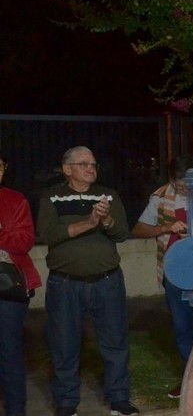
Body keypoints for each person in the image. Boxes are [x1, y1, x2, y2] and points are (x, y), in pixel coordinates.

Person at [35, 147, 138, 416]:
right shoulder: (52, 196)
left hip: (107, 282)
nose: (91, 168)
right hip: (65, 284)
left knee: (115, 342)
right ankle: (67, 402)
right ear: (67, 169)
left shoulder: (108, 195)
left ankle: (119, 399)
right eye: (84, 164)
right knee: (64, 344)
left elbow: (122, 233)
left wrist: (106, 218)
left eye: (94, 164)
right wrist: (89, 221)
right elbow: (48, 234)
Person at [130, 156, 193, 405]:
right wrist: (165, 228)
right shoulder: (160, 197)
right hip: (174, 273)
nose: (185, 188)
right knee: (182, 330)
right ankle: (192, 379)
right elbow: (138, 229)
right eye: (181, 184)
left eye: (189, 183)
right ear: (172, 179)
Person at [0, 154, 40, 416]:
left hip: (7, 286)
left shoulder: (15, 199)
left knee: (8, 352)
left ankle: (16, 411)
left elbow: (23, 242)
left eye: (0, 165)